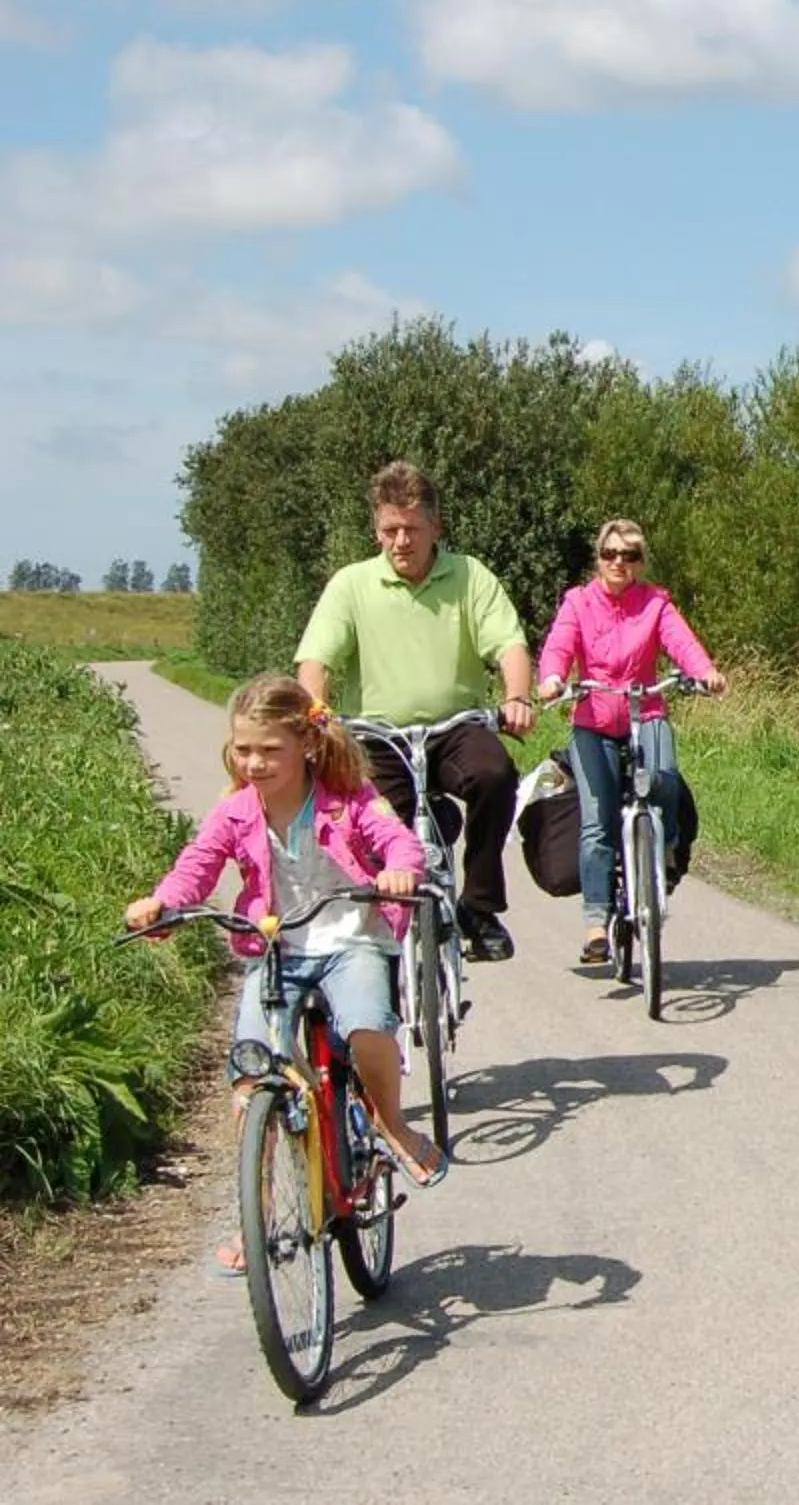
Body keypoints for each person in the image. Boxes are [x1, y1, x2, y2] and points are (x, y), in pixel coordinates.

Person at [126, 674, 449, 1273]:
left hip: (351, 938)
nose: (254, 763)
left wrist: (400, 872)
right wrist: (162, 903)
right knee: (253, 1073)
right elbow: (195, 868)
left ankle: (392, 1123)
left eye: (269, 750)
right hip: (276, 950)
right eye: (243, 749)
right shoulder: (235, 811)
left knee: (365, 1026)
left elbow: (397, 842)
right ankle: (260, 1212)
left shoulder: (347, 798)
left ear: (305, 744)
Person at [295, 461, 536, 961]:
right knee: (377, 828)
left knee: (495, 774)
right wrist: (317, 716)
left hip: (454, 727)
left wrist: (516, 697)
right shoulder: (352, 584)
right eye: (390, 530)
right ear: (376, 529)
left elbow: (509, 643)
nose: (401, 541)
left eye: (412, 529)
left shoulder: (469, 576)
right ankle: (375, 943)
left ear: (436, 529)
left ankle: (479, 907)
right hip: (379, 736)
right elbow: (315, 659)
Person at [534, 519, 726, 967]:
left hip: (647, 712)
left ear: (641, 562)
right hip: (594, 718)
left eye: (630, 555)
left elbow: (682, 644)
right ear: (598, 558)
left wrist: (705, 673)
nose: (619, 562)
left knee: (665, 782)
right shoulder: (578, 603)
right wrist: (552, 678)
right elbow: (560, 645)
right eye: (611, 554)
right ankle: (596, 923)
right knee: (597, 820)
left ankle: (667, 848)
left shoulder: (655, 604)